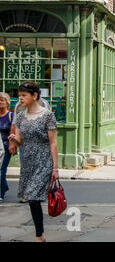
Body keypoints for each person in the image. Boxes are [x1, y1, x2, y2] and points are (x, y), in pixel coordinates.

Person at [8, 81, 59, 242]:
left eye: (24, 95)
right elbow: (21, 141)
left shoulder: (47, 115)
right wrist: (14, 140)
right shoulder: (21, 116)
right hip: (28, 161)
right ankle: (41, 234)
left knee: (33, 196)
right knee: (31, 198)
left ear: (34, 96)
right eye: (19, 95)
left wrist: (55, 168)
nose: (20, 99)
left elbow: (53, 142)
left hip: (44, 160)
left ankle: (39, 235)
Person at [0, 93, 14, 202]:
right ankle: (4, 186)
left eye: (2, 100)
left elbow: (13, 131)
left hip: (5, 147)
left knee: (1, 170)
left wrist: (12, 144)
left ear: (7, 102)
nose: (0, 102)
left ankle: (0, 193)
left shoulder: (11, 116)